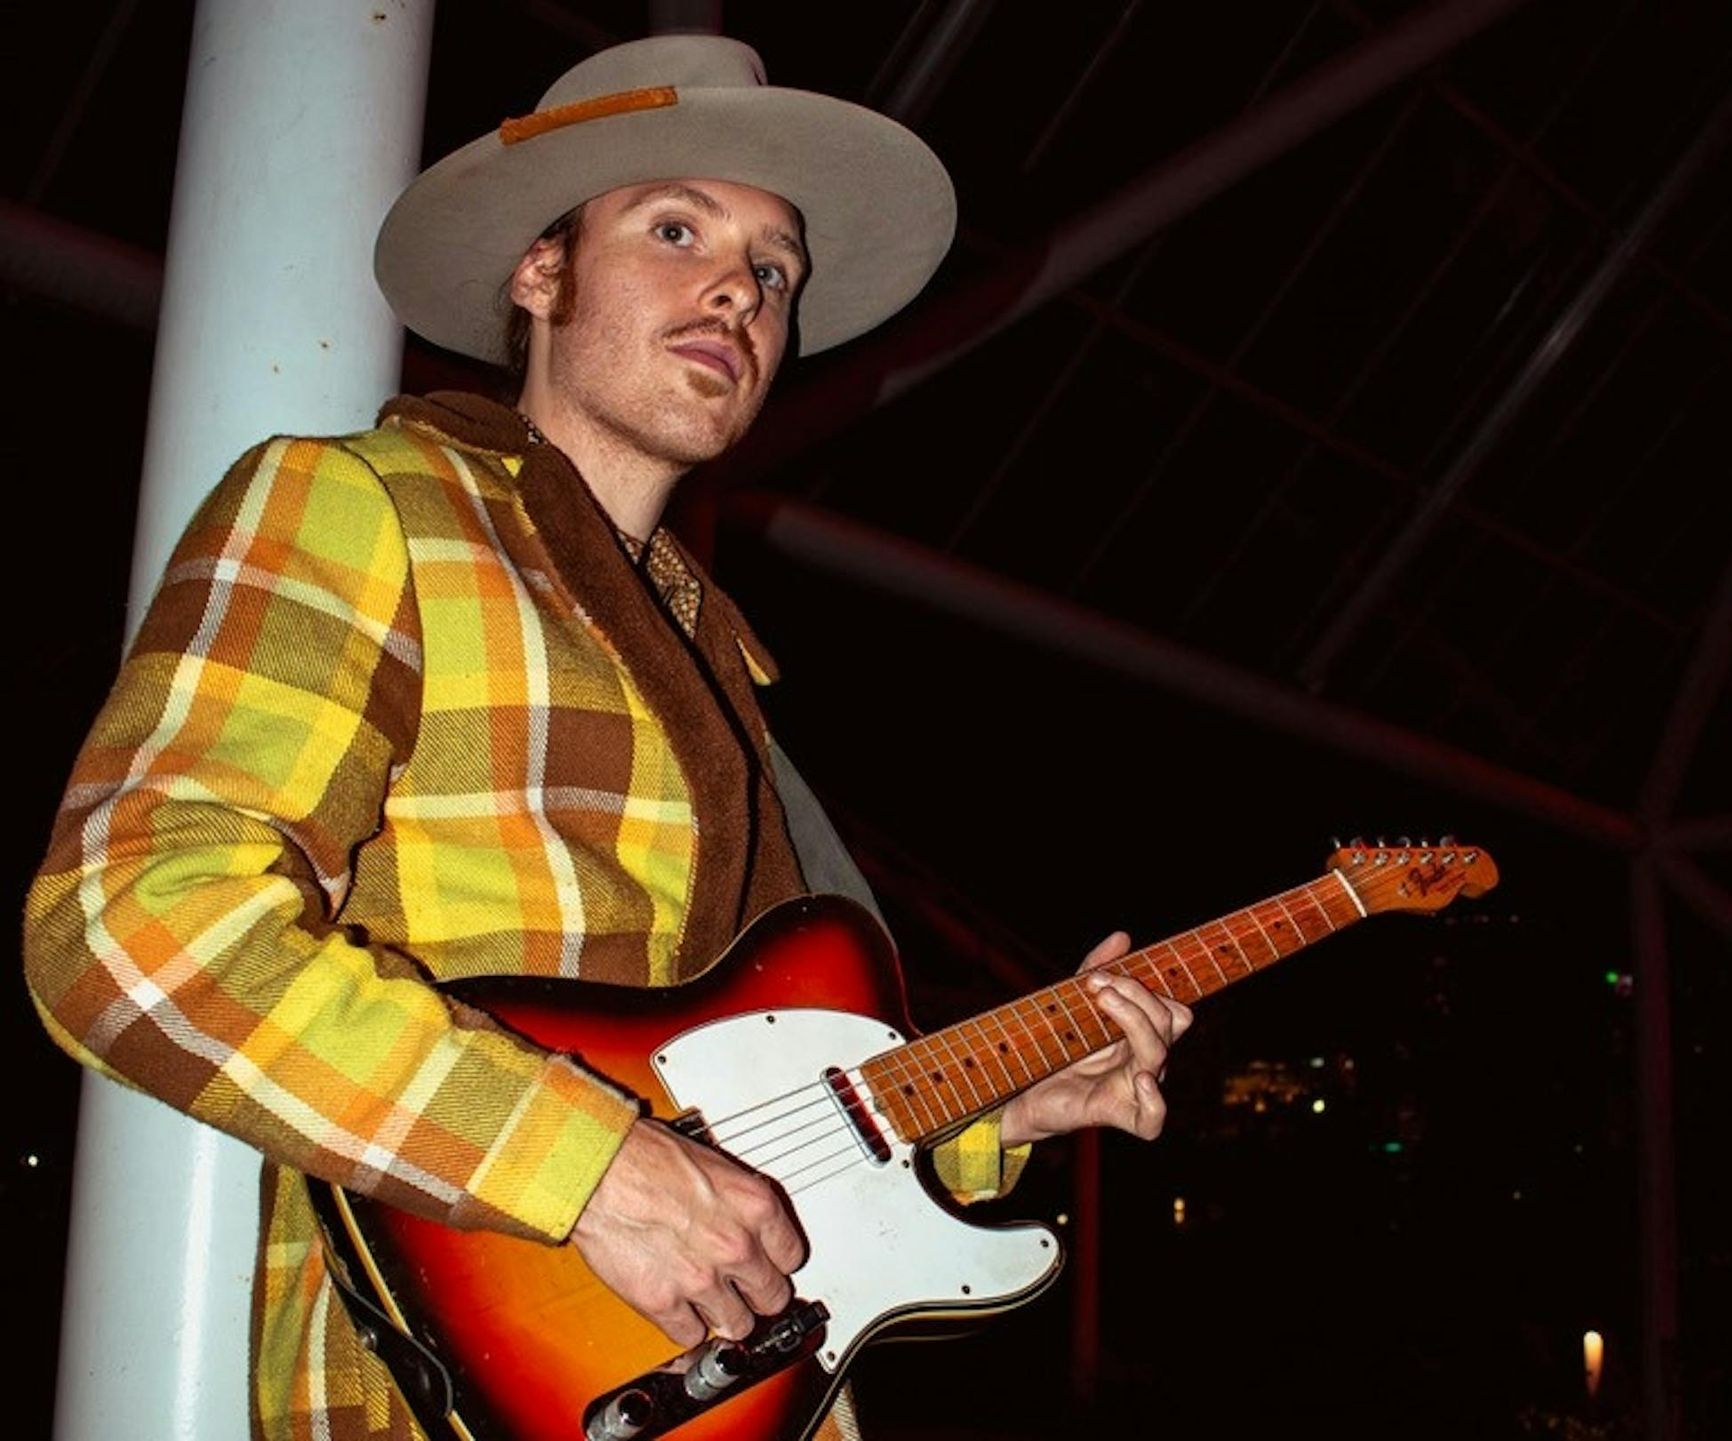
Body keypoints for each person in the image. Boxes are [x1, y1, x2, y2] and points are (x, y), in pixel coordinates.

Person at [23, 33, 1192, 1441]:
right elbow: (130, 921)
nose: (739, 290)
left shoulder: (719, 661)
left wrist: (999, 1112)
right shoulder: (371, 505)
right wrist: (591, 1168)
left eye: (773, 269)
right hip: (439, 1395)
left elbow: (729, 1102)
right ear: (541, 271)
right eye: (677, 230)